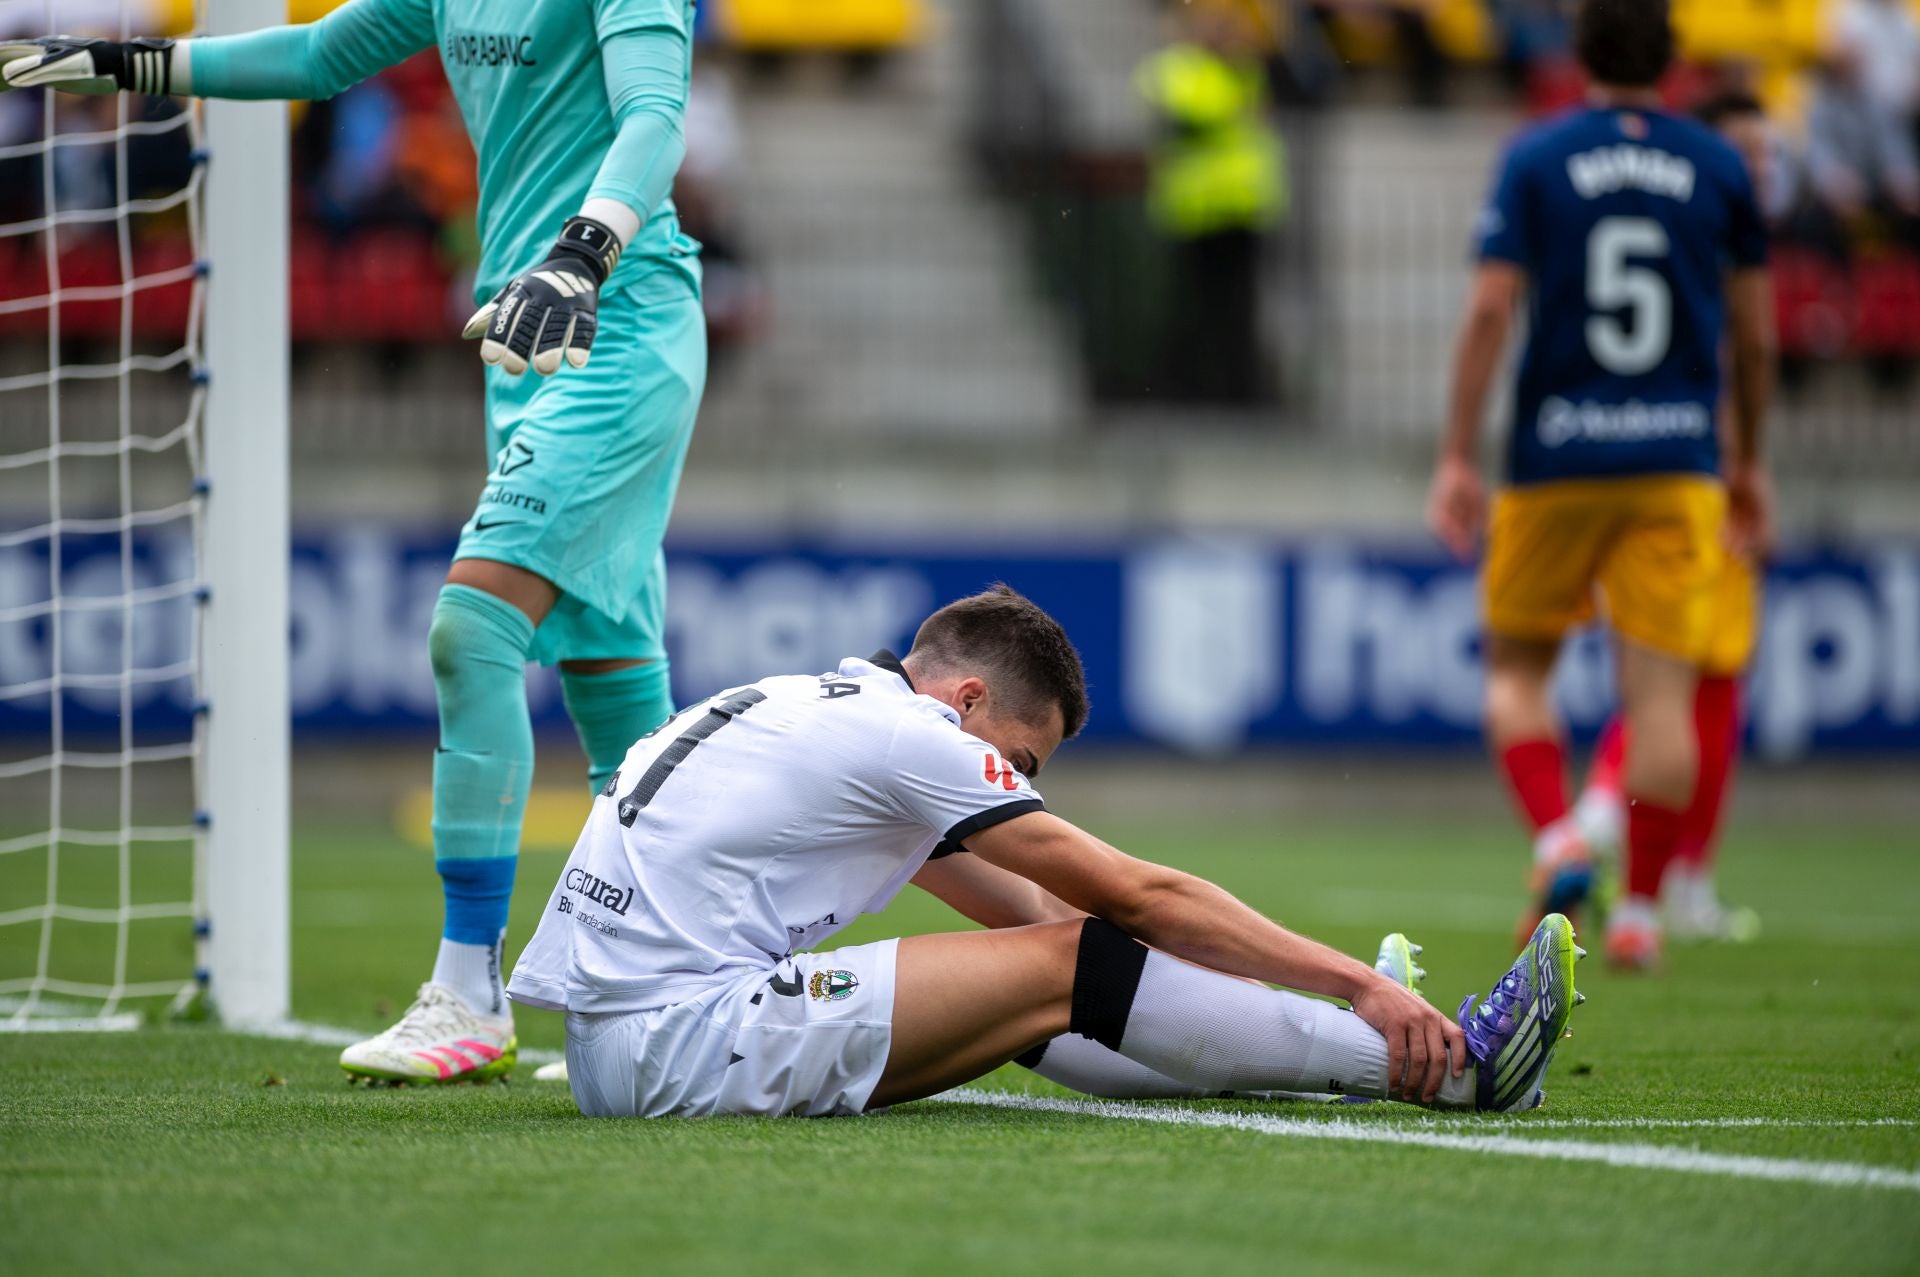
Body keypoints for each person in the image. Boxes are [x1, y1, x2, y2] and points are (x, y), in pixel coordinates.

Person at [3, 0, 706, 1080]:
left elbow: (656, 112)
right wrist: (129, 62)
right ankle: (659, 997)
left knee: (471, 627)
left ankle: (471, 989)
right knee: (610, 663)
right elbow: (321, 55)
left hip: (610, 318)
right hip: (520, 330)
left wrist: (584, 252)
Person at [509, 586, 1582, 1119]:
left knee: (1035, 978)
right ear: (967, 697)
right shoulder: (906, 734)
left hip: (628, 1045)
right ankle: (1446, 1071)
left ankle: (1349, 1051)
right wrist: (1349, 979)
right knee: (1068, 963)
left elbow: (1026, 921)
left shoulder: (815, 706)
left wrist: (1307, 1004)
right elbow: (1133, 895)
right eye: (1022, 757)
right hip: (676, 1042)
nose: (1020, 785)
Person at [1425, 0, 1774, 971]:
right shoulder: (1718, 165)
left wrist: (1458, 451)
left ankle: (1560, 837)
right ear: (1673, 56)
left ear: (1579, 52)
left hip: (1556, 456)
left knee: (1515, 675)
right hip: (1677, 463)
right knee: (1661, 700)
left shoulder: (1537, 156)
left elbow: (1493, 306)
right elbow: (1753, 334)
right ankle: (1642, 916)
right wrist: (1747, 462)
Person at [1569, 91, 1777, 947]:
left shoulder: (1651, 217)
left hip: (1628, 467)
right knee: (1684, 678)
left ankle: (1642, 854)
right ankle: (1624, 848)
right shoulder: (1713, 235)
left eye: (1766, 156)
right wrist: (1741, 475)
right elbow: (1730, 361)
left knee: (1685, 675)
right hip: (1689, 482)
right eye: (1747, 154)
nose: (1759, 170)